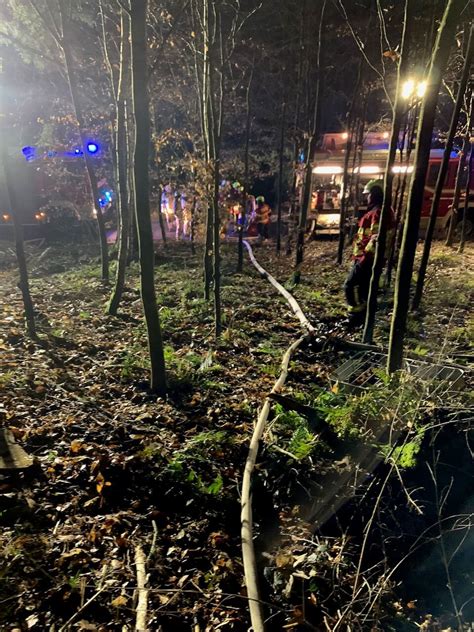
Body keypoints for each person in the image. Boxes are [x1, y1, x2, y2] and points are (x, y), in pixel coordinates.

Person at [344, 180, 395, 324]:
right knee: (364, 287)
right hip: (369, 257)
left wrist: (365, 258)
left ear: (374, 195)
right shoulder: (383, 211)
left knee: (350, 284)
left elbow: (377, 237)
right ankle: (363, 317)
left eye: (368, 195)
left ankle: (355, 315)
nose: (367, 198)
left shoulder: (379, 213)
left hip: (367, 258)